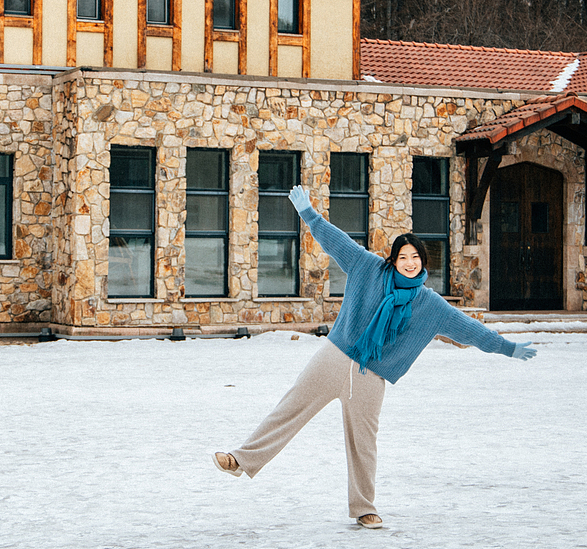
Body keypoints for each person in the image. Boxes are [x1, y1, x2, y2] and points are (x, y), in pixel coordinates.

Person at [213, 185, 536, 529]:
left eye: (415, 258)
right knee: (288, 410)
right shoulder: (368, 269)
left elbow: (469, 329)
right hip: (334, 357)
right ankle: (240, 460)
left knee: (364, 444)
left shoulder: (429, 304)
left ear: (423, 262)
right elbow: (337, 242)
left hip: (372, 376)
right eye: (403, 257)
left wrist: (507, 348)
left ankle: (364, 507)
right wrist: (309, 214)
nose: (409, 263)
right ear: (393, 259)